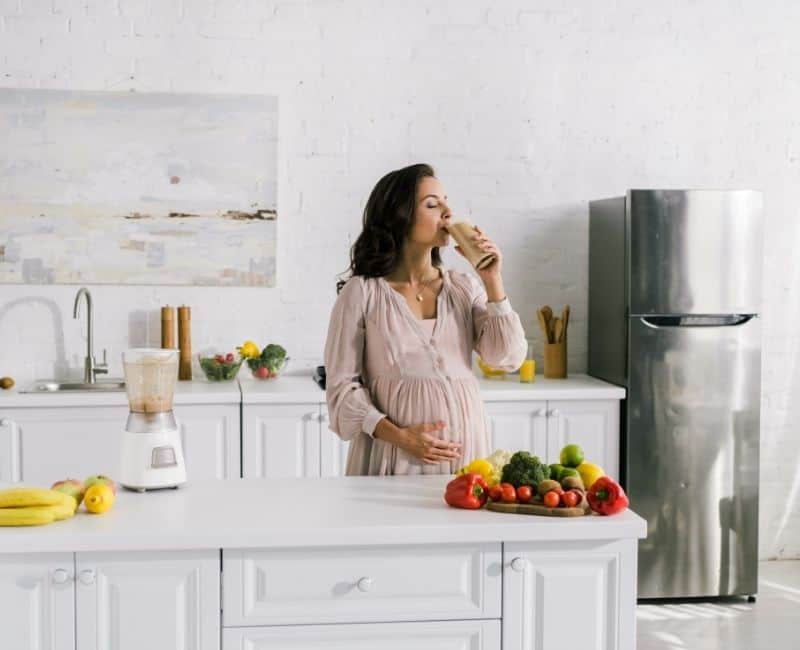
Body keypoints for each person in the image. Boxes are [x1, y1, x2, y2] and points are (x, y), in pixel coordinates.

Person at [324, 163, 527, 475]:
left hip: (466, 454)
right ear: (399, 216)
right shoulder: (362, 293)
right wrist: (401, 437)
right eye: (432, 204)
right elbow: (341, 389)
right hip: (393, 458)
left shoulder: (463, 287)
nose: (447, 212)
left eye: (446, 201)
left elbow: (505, 357)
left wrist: (492, 279)